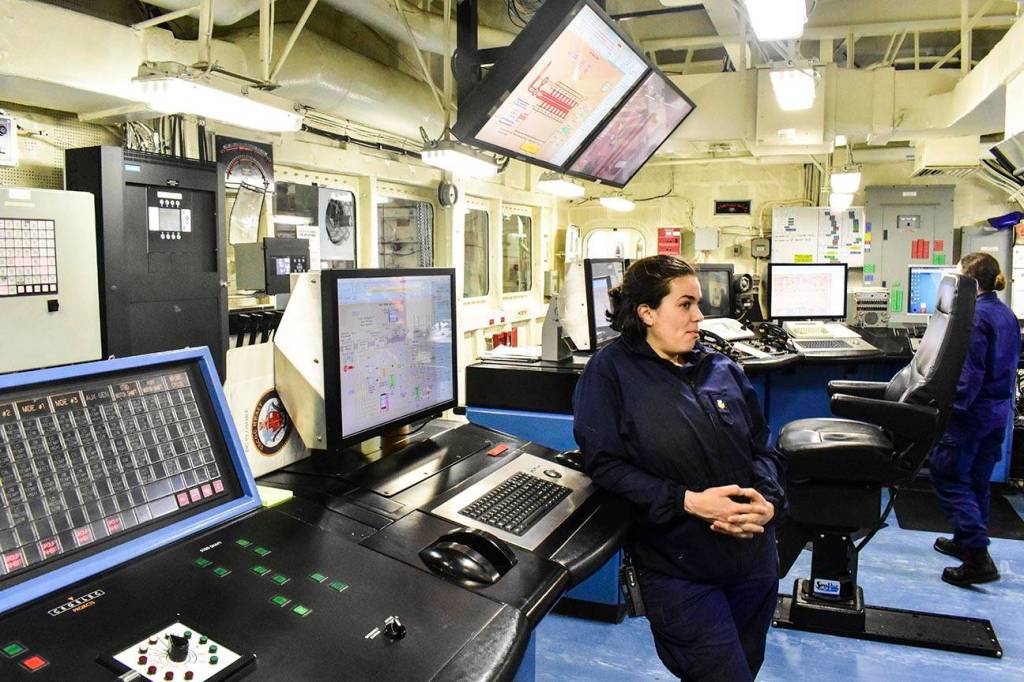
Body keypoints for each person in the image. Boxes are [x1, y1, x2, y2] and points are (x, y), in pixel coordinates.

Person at [572, 255, 785, 681]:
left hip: (754, 561)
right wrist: (688, 502)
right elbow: (604, 465)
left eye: (698, 304)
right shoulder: (610, 374)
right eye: (685, 304)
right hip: (679, 567)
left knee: (746, 666)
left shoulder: (722, 368)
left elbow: (763, 449)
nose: (699, 316)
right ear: (647, 313)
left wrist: (770, 501)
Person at [929, 251, 1021, 586]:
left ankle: (978, 558)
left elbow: (968, 377)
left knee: (949, 475)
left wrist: (946, 412)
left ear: (967, 281)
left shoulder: (974, 318)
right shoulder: (1005, 314)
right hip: (998, 414)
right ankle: (967, 541)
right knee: (977, 480)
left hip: (972, 414)